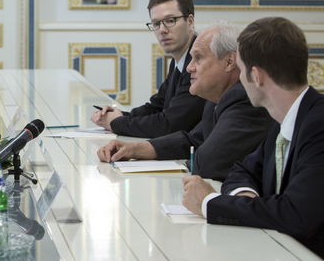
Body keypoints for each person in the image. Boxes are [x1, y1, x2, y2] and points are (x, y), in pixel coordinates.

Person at [183, 17, 324, 258]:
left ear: (256, 76)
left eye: (241, 69)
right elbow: (242, 171)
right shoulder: (286, 119)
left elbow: (297, 214)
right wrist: (244, 196)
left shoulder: (318, 124)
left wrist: (208, 202)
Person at [97, 24, 273, 180]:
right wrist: (133, 149)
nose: (189, 67)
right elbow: (193, 139)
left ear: (229, 62)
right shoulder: (217, 96)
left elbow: (209, 163)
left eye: (198, 58)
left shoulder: (245, 98)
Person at [92, 0, 206, 137]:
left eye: (170, 21)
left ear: (190, 21)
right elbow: (157, 106)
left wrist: (116, 123)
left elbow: (169, 125)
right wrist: (119, 115)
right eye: (156, 24)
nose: (162, 30)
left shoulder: (199, 62)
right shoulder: (179, 60)